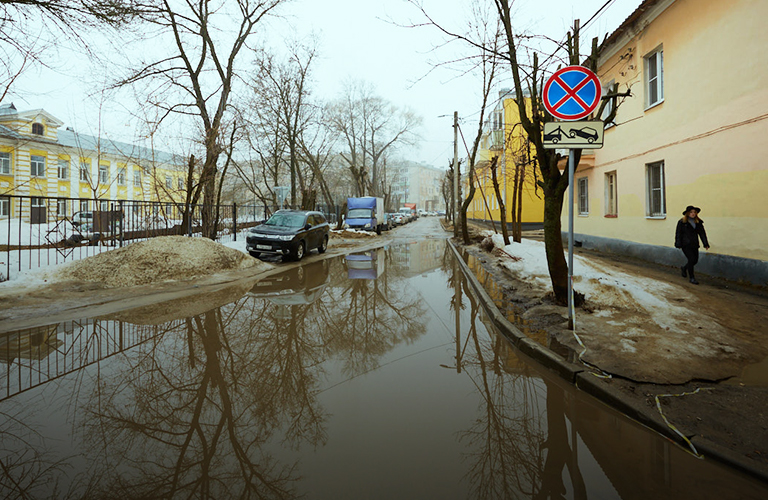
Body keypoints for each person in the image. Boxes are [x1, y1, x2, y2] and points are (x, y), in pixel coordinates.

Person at [674, 205, 710, 284]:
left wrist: (705, 243)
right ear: (687, 213)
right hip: (685, 244)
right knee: (691, 259)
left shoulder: (698, 222)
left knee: (695, 260)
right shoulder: (682, 222)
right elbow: (678, 233)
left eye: (694, 212)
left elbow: (702, 233)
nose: (693, 214)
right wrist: (678, 243)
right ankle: (692, 277)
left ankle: (684, 268)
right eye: (691, 212)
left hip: (694, 244)